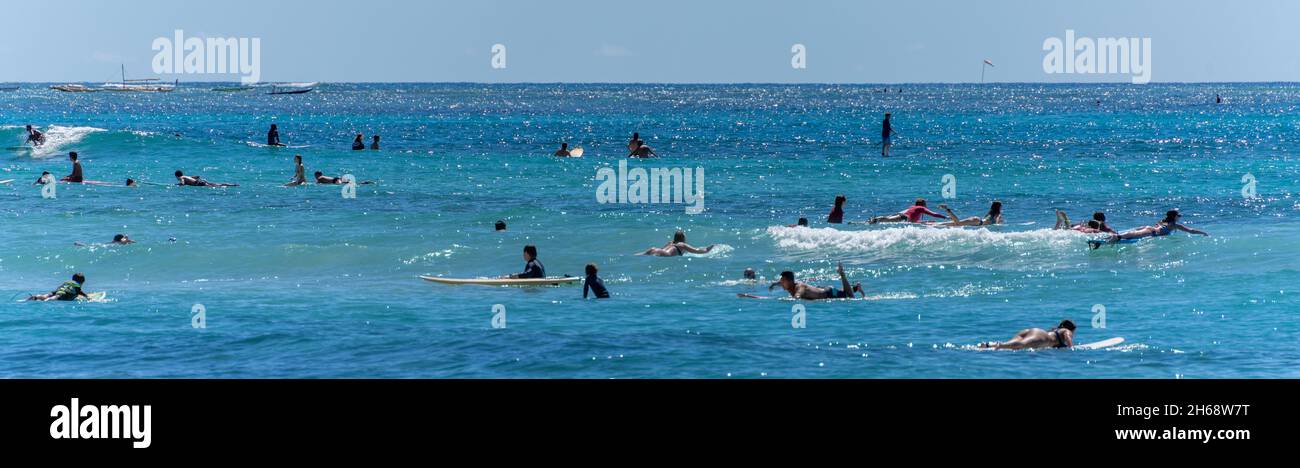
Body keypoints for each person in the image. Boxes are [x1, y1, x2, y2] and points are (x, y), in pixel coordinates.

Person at [1096, 210, 1208, 248]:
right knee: (1133, 235)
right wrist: (1203, 233)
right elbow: (1191, 231)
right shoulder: (1174, 225)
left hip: (1150, 228)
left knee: (1133, 233)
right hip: (1152, 231)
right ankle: (1117, 237)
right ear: (1174, 217)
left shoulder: (1163, 220)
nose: (1180, 217)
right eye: (1179, 216)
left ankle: (1114, 236)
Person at [767, 263, 864, 300]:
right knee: (843, 292)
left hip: (829, 293)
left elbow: (798, 295)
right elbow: (781, 283)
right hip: (821, 289)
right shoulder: (790, 284)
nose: (781, 282)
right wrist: (774, 284)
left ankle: (842, 274)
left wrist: (794, 298)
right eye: (781, 281)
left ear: (790, 281)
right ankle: (856, 287)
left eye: (783, 280)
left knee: (850, 297)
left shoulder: (799, 287)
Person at [979, 320, 1076, 350]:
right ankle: (996, 344)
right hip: (1041, 336)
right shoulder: (1067, 331)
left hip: (1032, 331)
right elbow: (1068, 336)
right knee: (1020, 345)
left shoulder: (1057, 330)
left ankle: (990, 345)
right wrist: (1072, 348)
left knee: (1013, 346)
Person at [639, 230, 714, 257]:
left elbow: (662, 249)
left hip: (654, 249)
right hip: (663, 254)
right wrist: (707, 250)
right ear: (683, 238)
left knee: (637, 256)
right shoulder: (682, 245)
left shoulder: (670, 243)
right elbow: (697, 251)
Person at [869, 198, 947, 224]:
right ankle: (875, 219)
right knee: (888, 219)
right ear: (923, 204)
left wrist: (925, 222)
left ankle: (876, 219)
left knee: (887, 219)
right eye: (925, 204)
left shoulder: (914, 207)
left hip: (902, 216)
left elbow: (913, 220)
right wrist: (944, 217)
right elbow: (934, 214)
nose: (926, 205)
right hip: (904, 217)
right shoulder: (921, 208)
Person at [936, 201, 1003, 227]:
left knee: (954, 224)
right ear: (999, 207)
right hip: (978, 222)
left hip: (977, 220)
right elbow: (997, 222)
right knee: (958, 223)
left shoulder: (990, 213)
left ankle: (935, 224)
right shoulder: (997, 214)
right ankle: (947, 210)